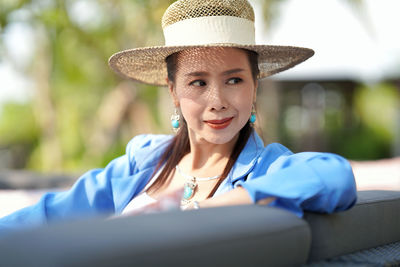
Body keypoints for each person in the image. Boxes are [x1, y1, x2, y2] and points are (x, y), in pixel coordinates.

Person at [0, 0, 356, 236]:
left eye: (234, 79)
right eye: (197, 82)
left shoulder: (266, 168)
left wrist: (207, 208)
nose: (217, 101)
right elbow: (44, 220)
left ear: (255, 85)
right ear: (172, 90)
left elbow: (334, 176)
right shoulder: (143, 162)